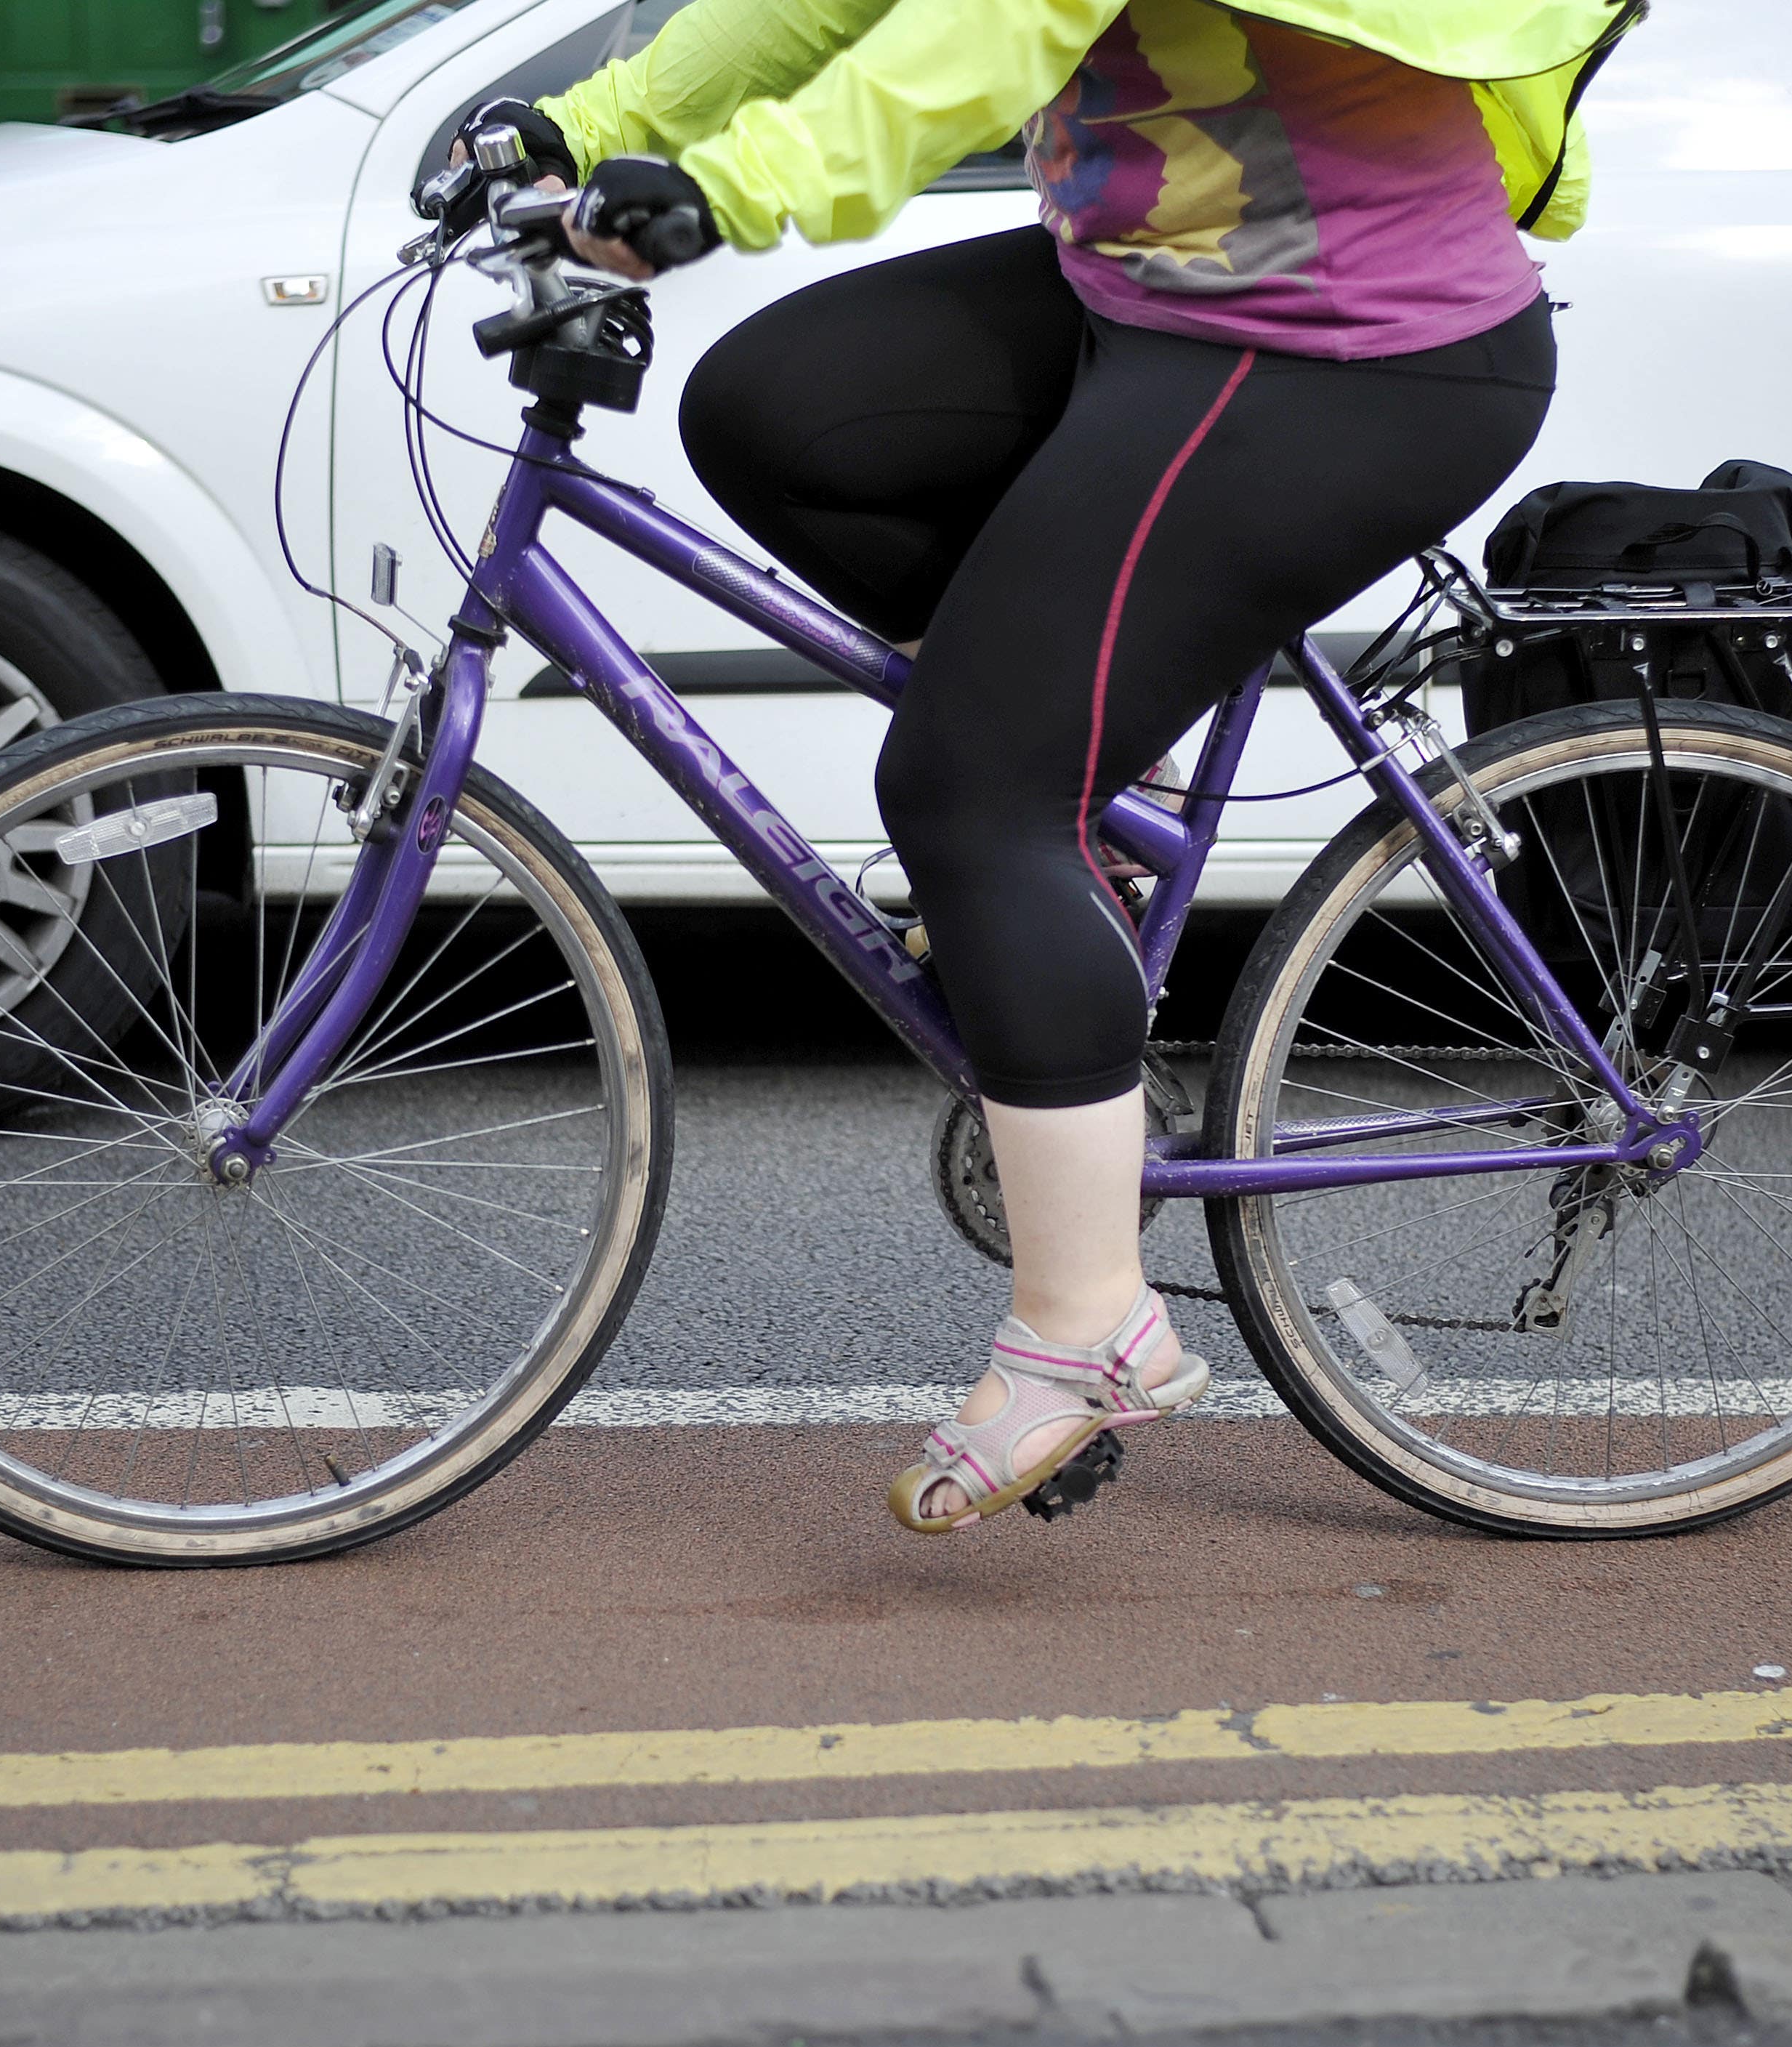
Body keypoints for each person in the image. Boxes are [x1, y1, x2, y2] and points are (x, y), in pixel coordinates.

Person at [461, 0, 1636, 1533]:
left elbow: (997, 24)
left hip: (1345, 346)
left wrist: (722, 190)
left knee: (970, 795)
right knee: (772, 414)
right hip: (1157, 293)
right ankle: (1074, 800)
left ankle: (1089, 1328)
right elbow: (821, 7)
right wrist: (596, 123)